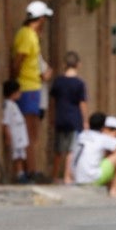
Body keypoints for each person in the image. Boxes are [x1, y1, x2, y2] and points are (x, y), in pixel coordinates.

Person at [12, 0, 53, 181]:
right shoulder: (27, 35)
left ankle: (31, 168)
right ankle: (30, 171)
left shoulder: (32, 36)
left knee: (33, 132)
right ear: (41, 18)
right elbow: (18, 60)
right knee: (29, 131)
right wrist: (15, 81)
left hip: (33, 87)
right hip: (27, 88)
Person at [70, 112, 116, 196]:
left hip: (78, 178)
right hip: (91, 178)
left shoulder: (82, 135)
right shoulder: (102, 138)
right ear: (103, 128)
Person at [48, 51, 89, 184]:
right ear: (78, 64)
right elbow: (82, 103)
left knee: (59, 150)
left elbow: (53, 101)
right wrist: (85, 120)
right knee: (71, 150)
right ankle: (66, 176)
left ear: (65, 64)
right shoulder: (79, 83)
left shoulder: (58, 81)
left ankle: (54, 175)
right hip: (74, 118)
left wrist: (52, 117)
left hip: (60, 117)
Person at [1, 78, 29, 184]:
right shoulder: (7, 106)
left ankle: (20, 173)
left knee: (20, 155)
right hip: (15, 136)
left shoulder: (13, 105)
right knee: (17, 156)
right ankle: (19, 174)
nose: (20, 93)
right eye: (18, 91)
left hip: (19, 136)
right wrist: (8, 135)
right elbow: (5, 122)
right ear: (13, 92)